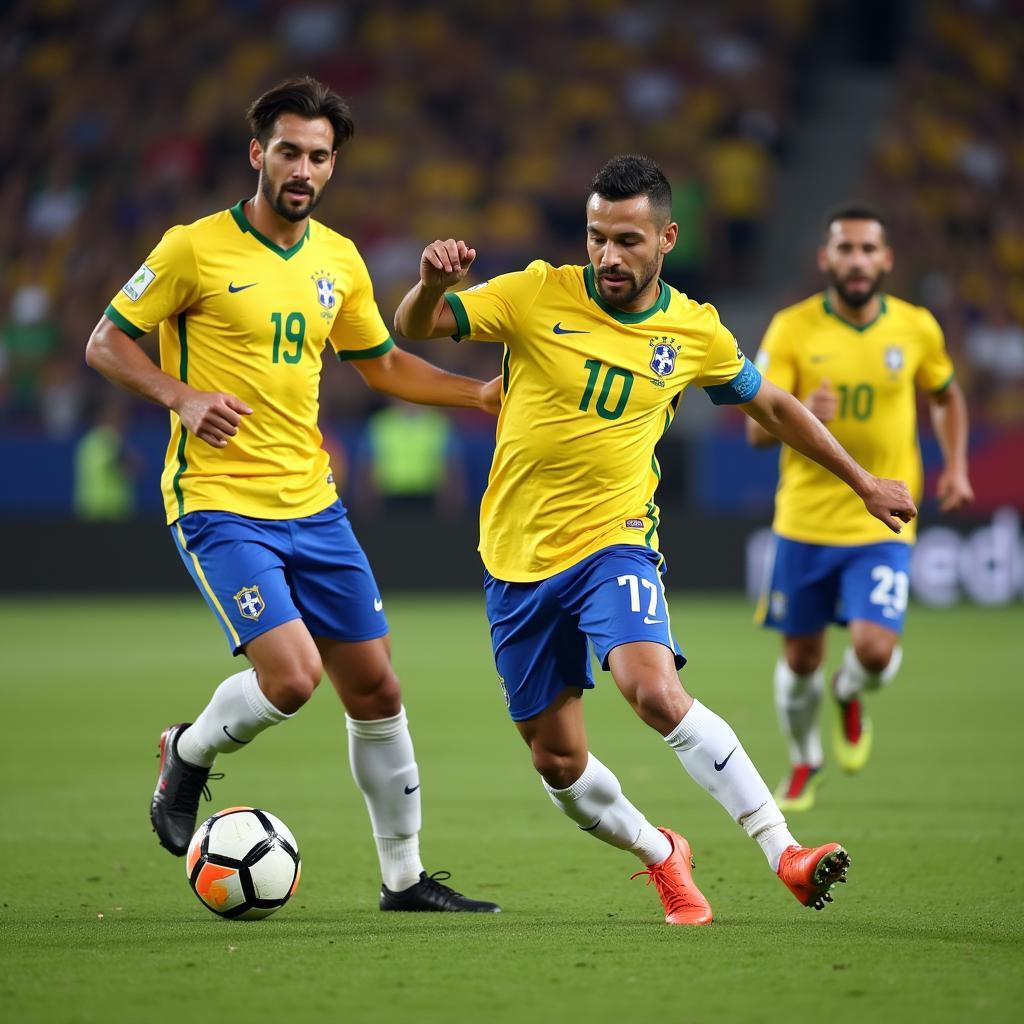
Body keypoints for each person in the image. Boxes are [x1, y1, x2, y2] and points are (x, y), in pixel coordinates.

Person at [393, 155, 918, 924]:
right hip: (514, 559)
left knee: (652, 688)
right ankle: (661, 853)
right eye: (597, 237)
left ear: (668, 238)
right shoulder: (538, 291)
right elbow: (416, 325)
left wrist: (862, 480)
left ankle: (785, 852)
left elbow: (770, 404)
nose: (609, 255)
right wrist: (433, 282)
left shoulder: (694, 329)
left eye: (629, 240)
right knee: (557, 761)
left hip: (614, 542)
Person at [85, 76, 500, 914]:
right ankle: (188, 751)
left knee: (378, 691)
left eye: (318, 155)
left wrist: (478, 395)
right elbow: (105, 342)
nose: (302, 168)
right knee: (294, 677)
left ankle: (404, 880)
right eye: (288, 151)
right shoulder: (191, 248)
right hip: (219, 501)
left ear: (332, 164)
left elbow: (381, 362)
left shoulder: (339, 260)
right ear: (257, 154)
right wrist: (182, 396)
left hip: (314, 504)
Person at [746, 202, 973, 811]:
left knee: (874, 651)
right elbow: (756, 430)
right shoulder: (791, 328)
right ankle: (803, 761)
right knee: (799, 659)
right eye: (844, 249)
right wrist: (802, 411)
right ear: (825, 258)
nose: (856, 260)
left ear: (886, 259)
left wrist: (955, 466)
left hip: (883, 518)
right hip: (805, 522)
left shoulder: (916, 327)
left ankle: (849, 693)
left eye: (867, 249)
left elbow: (947, 397)